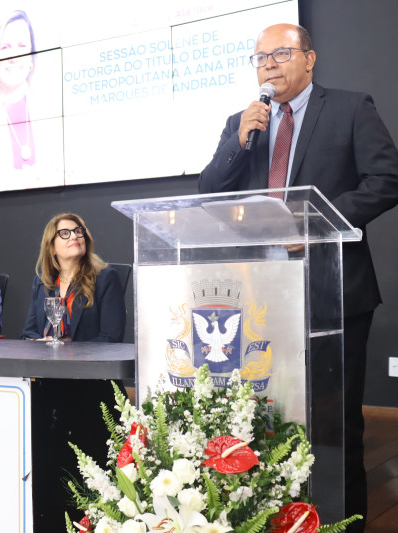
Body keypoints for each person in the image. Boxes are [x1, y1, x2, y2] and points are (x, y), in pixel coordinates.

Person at [198, 23, 398, 530]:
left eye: (281, 53)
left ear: (309, 59)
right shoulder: (244, 122)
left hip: (335, 293)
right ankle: (270, 516)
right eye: (260, 57)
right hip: (261, 297)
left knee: (335, 420)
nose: (269, 64)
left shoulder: (350, 108)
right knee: (265, 413)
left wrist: (315, 224)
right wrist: (237, 142)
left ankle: (342, 521)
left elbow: (386, 179)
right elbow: (209, 190)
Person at [0, 10, 64, 193]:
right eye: (5, 47)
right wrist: (35, 178)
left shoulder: (52, 106)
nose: (13, 56)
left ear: (32, 55)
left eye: (22, 45)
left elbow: (64, 172)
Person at [22, 213, 125, 342]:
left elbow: (111, 337)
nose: (74, 236)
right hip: (44, 354)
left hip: (85, 355)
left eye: (78, 231)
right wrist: (40, 344)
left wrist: (68, 349)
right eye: (65, 233)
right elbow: (28, 333)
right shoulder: (42, 282)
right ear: (52, 248)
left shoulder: (105, 279)